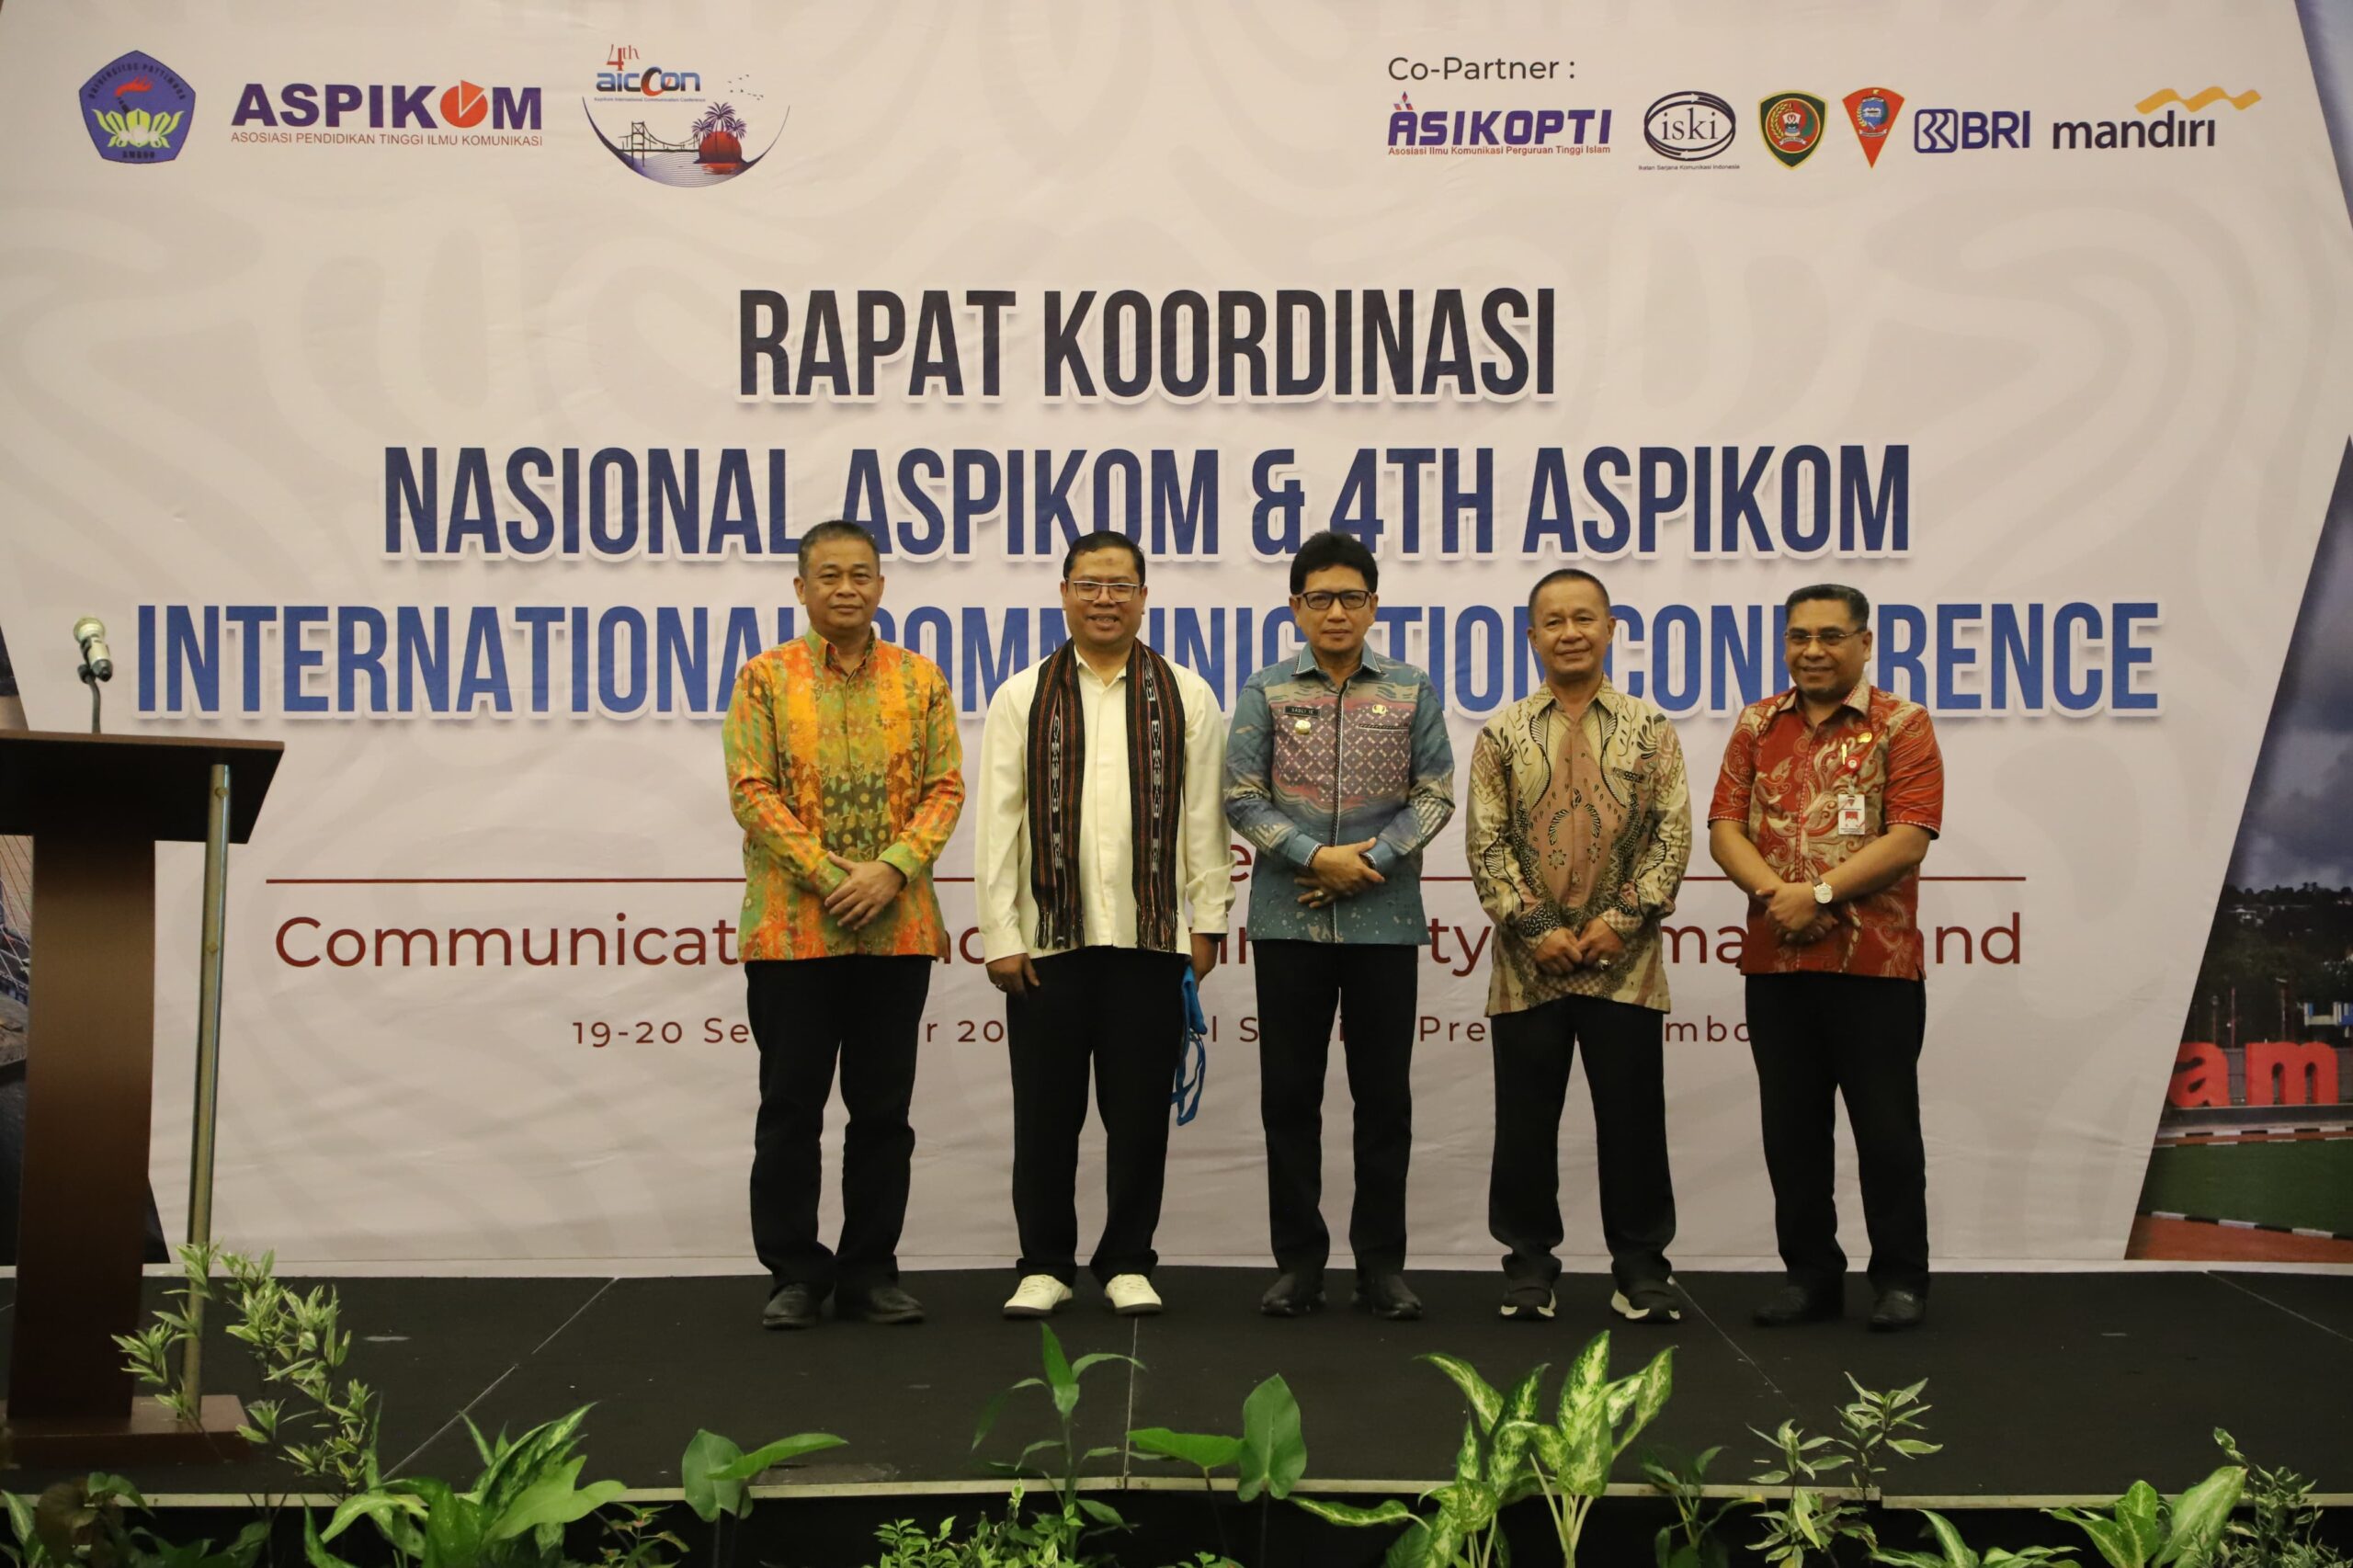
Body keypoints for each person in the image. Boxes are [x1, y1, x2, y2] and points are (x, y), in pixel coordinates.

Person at [976, 529, 1232, 1318]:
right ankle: (1044, 1264)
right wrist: (1000, 935)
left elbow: (1205, 820)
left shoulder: (1186, 694)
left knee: (1138, 1116)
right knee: (1044, 1116)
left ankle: (1127, 1259)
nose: (1105, 599)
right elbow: (998, 826)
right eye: (1089, 584)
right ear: (1064, 593)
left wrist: (1208, 921)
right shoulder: (1021, 695)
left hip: (1151, 943)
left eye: (1121, 586)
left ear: (1144, 597)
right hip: (1048, 944)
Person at [722, 520, 965, 1330]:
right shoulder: (764, 678)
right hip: (793, 934)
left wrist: (890, 869)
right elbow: (751, 791)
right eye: (829, 575)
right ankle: (794, 1275)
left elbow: (945, 790)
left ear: (882, 586)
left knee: (882, 1116)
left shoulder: (920, 679)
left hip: (896, 932)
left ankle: (869, 1273)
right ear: (801, 588)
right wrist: (833, 878)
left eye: (861, 574)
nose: (847, 588)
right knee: (790, 1112)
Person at [1222, 531, 1453, 1321]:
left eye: (1351, 598)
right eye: (1319, 598)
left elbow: (1435, 795)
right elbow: (1241, 797)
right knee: (1290, 1098)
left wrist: (1370, 862)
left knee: (1383, 1102)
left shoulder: (1411, 689)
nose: (1336, 612)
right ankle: (1299, 1265)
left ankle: (1381, 1267)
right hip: (1288, 921)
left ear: (1374, 606)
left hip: (1384, 920)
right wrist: (1316, 858)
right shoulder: (1266, 690)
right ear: (1296, 607)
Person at [1707, 583, 1944, 1333]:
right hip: (1776, 963)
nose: (1812, 650)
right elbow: (1724, 828)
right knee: (1792, 1133)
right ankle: (1809, 1277)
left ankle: (1901, 1280)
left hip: (1874, 964)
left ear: (1864, 643)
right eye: (1799, 636)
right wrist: (1777, 895)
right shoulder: (1757, 724)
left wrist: (1819, 893)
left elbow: (1910, 836)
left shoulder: (1902, 724)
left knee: (1887, 1131)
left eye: (1830, 636)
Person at [1464, 569, 1691, 1325]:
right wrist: (1536, 928)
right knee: (1525, 1129)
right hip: (1528, 968)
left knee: (1634, 1125)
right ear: (1532, 637)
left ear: (1610, 628)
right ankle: (1529, 1268)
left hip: (1625, 965)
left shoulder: (1651, 729)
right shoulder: (1501, 734)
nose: (1570, 633)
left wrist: (1620, 920)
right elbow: (1486, 843)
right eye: (1554, 621)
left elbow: (1671, 836)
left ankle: (1641, 1270)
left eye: (1584, 618)